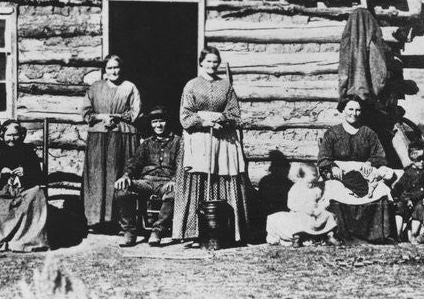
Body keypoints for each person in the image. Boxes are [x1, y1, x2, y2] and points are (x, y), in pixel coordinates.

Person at [172, 46, 252, 244]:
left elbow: (235, 113)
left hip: (223, 140)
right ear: (201, 63)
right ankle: (193, 232)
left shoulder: (226, 86)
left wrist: (221, 120)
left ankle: (228, 231)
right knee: (198, 179)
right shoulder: (191, 85)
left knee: (223, 178)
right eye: (208, 61)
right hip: (199, 139)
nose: (212, 65)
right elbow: (185, 116)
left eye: (215, 62)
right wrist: (205, 121)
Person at [317, 95, 398, 244]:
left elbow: (380, 156)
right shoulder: (332, 134)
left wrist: (369, 163)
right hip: (339, 174)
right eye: (350, 109)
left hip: (364, 172)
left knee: (380, 189)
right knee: (334, 190)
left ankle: (376, 235)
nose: (354, 113)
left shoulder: (368, 133)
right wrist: (332, 167)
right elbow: (323, 159)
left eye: (358, 110)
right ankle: (340, 235)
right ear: (342, 110)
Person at [81, 54, 142, 229]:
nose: (114, 71)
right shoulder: (95, 87)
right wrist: (101, 117)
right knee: (98, 175)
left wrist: (116, 118)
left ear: (121, 69)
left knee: (119, 173)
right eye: (110, 68)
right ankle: (97, 220)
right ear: (104, 71)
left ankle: (121, 220)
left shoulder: (129, 87)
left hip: (123, 135)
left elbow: (135, 112)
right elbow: (86, 112)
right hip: (99, 137)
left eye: (116, 67)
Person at [0, 120, 49, 252]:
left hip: (24, 188)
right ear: (2, 135)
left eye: (16, 135)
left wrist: (25, 173)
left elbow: (38, 175)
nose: (12, 138)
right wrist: (0, 174)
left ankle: (25, 240)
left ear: (21, 135)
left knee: (37, 194)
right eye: (9, 135)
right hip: (0, 188)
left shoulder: (27, 150)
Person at [113, 107, 181, 247]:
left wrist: (174, 180)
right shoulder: (147, 143)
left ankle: (157, 231)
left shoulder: (179, 142)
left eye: (161, 121)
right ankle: (129, 232)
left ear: (167, 122)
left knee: (174, 194)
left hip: (166, 183)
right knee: (122, 189)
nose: (158, 125)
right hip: (146, 181)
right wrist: (126, 175)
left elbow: (181, 164)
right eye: (154, 122)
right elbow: (134, 163)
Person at [265, 164, 339, 247]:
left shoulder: (317, 189)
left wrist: (321, 207)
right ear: (301, 177)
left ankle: (330, 236)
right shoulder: (296, 188)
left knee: (329, 216)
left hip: (315, 213)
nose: (311, 185)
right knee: (299, 219)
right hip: (301, 211)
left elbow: (321, 200)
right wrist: (302, 209)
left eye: (313, 182)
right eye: (309, 183)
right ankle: (297, 237)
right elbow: (290, 204)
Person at [391, 145, 424, 242]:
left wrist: (423, 153)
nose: (422, 162)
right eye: (419, 160)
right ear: (413, 161)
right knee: (400, 207)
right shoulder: (408, 172)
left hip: (420, 199)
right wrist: (406, 198)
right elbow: (397, 189)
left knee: (419, 209)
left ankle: (414, 236)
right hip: (408, 199)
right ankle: (398, 235)